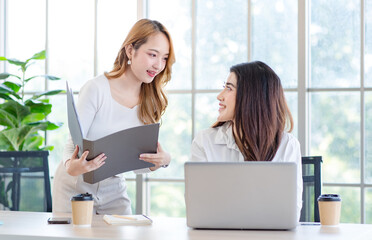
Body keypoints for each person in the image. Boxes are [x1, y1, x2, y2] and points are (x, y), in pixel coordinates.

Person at [53, 19, 175, 215]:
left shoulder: (150, 101)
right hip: (74, 187)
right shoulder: (96, 89)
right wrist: (72, 166)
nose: (158, 65)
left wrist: (163, 160)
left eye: (164, 58)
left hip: (113, 189)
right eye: (152, 55)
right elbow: (71, 146)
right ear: (130, 50)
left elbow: (138, 165)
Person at [191, 61, 303, 219]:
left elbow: (291, 212)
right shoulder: (205, 141)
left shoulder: (288, 145)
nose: (220, 96)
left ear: (251, 96)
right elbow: (198, 207)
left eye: (229, 88)